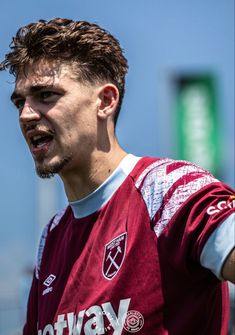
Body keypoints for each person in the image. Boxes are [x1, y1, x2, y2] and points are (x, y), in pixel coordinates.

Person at [1, 18, 234, 335]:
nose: (26, 114)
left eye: (46, 95)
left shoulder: (169, 191)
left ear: (106, 101)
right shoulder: (51, 238)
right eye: (20, 102)